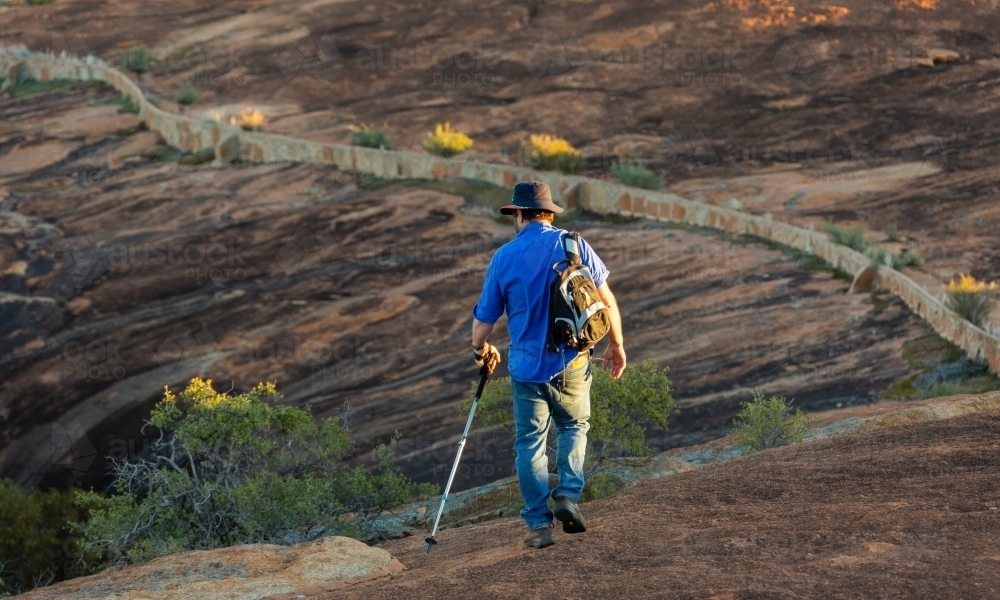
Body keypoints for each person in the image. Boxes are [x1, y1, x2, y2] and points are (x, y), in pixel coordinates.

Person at [470, 180, 626, 549]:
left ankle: (539, 527)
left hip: (526, 369)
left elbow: (483, 322)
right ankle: (568, 495)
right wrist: (617, 345)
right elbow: (606, 300)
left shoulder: (504, 257)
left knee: (529, 444)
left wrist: (480, 350)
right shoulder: (574, 244)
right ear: (550, 213)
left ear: (518, 214)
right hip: (571, 359)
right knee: (574, 425)